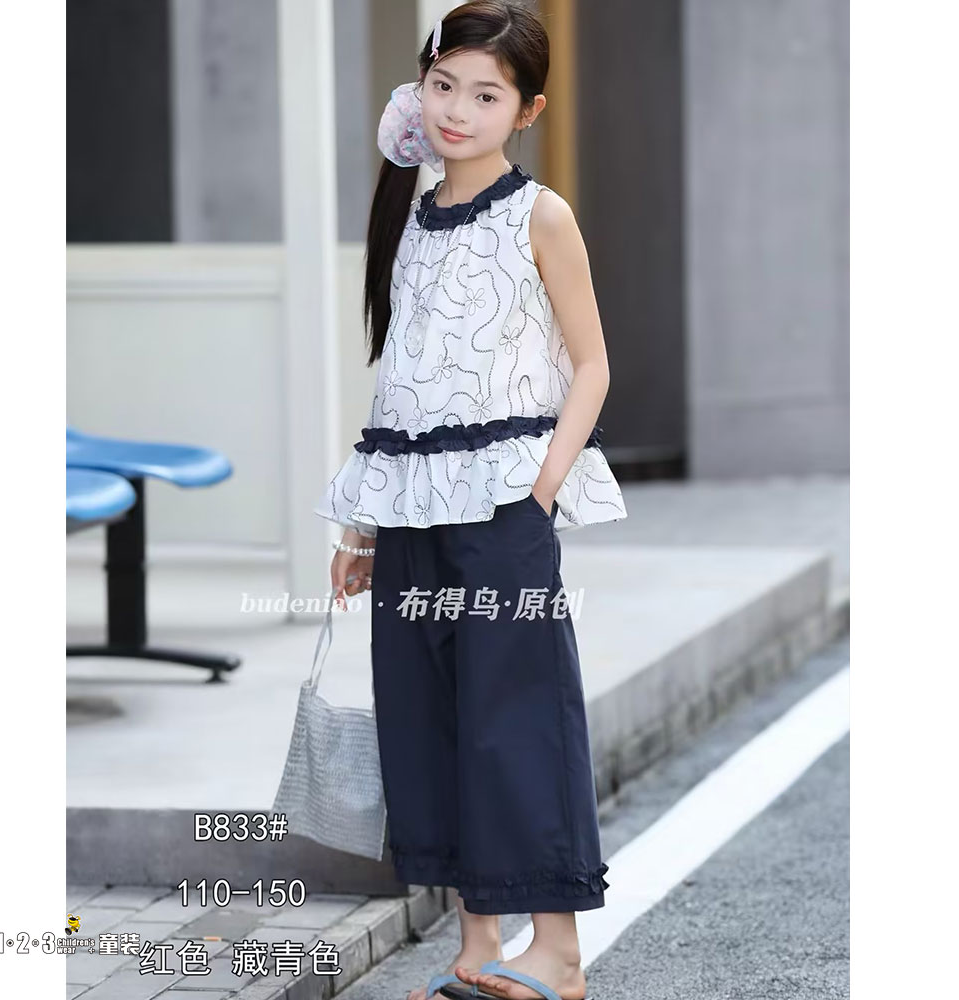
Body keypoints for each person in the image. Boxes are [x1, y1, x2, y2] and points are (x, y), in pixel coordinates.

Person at [314, 4, 626, 998]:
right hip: (410, 510)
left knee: (516, 717)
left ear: (525, 110)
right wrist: (363, 525)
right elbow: (401, 383)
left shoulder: (541, 215)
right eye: (443, 84)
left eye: (486, 95)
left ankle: (558, 952)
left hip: (502, 509)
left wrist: (540, 491)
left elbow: (592, 365)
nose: (457, 109)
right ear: (421, 82)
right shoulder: (409, 216)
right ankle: (478, 942)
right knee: (428, 715)